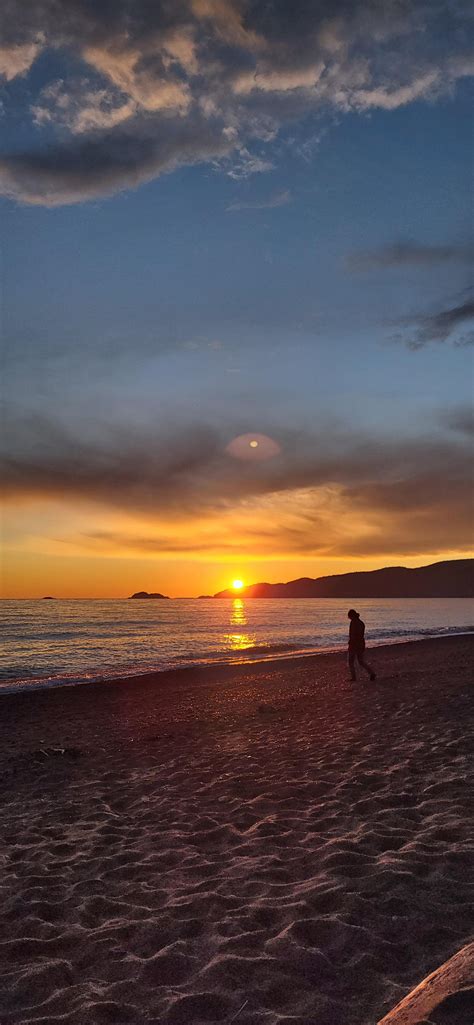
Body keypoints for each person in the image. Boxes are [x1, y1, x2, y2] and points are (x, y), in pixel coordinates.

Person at [347, 609, 376, 682]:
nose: (349, 618)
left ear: (351, 616)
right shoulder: (361, 623)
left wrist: (350, 643)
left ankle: (354, 678)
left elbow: (352, 635)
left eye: (349, 616)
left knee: (351, 662)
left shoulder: (353, 623)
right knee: (361, 661)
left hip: (354, 645)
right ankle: (371, 672)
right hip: (361, 644)